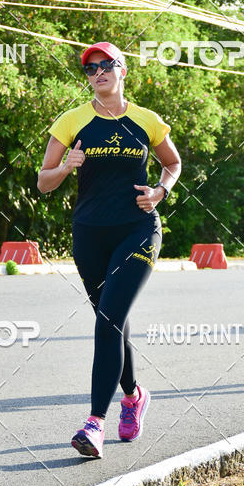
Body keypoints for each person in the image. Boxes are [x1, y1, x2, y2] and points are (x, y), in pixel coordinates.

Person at [38, 42, 181, 458]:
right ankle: (134, 395)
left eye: (106, 66)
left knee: (109, 319)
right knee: (111, 319)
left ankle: (94, 422)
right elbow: (43, 181)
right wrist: (67, 166)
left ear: (122, 70)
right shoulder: (72, 121)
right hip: (89, 233)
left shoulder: (146, 120)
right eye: (90, 69)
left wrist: (160, 191)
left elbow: (172, 164)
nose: (98, 73)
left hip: (138, 229)